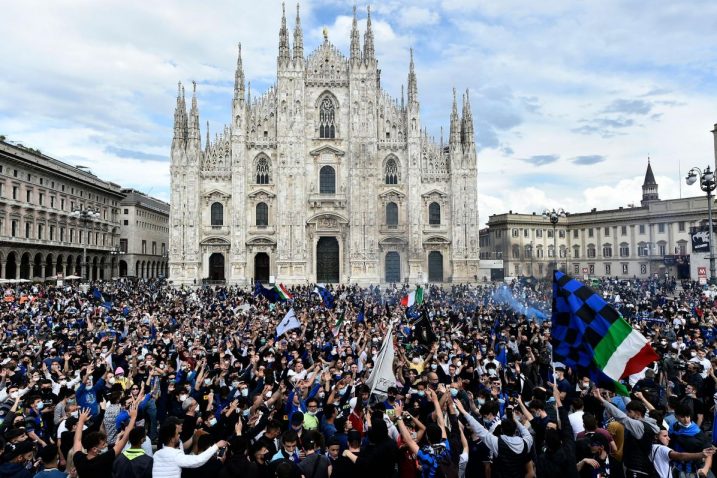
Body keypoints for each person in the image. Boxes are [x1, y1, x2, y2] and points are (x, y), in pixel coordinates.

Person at [455, 398, 533, 478]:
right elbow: (525, 432)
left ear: (501, 430)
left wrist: (463, 411)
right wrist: (514, 421)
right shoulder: (527, 442)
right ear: (515, 430)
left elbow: (479, 429)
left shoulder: (497, 443)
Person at [593, 388, 659, 478]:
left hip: (636, 470)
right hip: (640, 468)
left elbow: (620, 416)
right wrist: (620, 389)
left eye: (629, 412)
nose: (627, 414)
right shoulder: (647, 421)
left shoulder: (638, 426)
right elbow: (631, 405)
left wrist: (601, 400)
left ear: (638, 414)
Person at [73, 405, 137, 478]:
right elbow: (124, 439)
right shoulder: (103, 460)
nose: (106, 445)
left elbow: (77, 440)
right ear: (94, 449)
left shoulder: (78, 459)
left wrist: (81, 420)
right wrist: (133, 417)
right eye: (103, 444)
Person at [152, 421, 227, 477]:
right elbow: (198, 460)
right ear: (172, 439)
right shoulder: (176, 455)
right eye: (177, 434)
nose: (179, 436)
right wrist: (216, 446)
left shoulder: (156, 454)